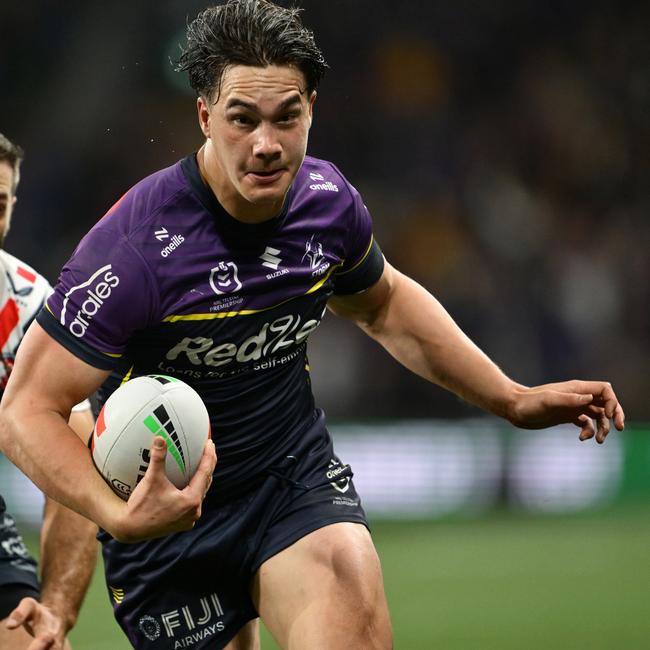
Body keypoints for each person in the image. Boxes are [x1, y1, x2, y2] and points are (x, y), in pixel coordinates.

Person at [0, 2, 625, 648]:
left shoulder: (327, 207)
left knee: (349, 600)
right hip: (165, 523)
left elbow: (384, 305)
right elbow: (25, 409)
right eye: (242, 119)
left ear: (312, 110)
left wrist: (512, 398)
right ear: (205, 116)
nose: (267, 144)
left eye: (286, 118)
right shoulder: (133, 251)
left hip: (289, 478)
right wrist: (117, 515)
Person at [0, 132, 98, 650]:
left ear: (13, 207)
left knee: (29, 639)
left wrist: (57, 609)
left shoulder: (29, 308)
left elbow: (74, 466)